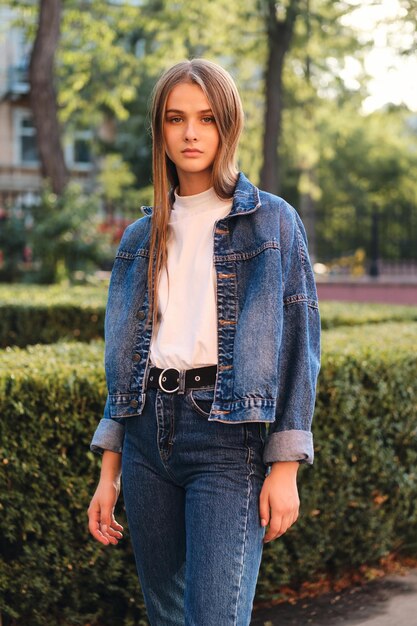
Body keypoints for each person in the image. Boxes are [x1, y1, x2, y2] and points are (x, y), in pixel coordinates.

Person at [87, 58, 321, 626]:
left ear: (228, 126)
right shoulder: (139, 238)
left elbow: (301, 347)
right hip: (145, 443)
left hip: (225, 443)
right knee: (166, 617)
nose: (191, 133)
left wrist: (285, 466)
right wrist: (108, 470)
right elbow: (126, 362)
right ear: (160, 131)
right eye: (176, 119)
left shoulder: (272, 223)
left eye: (207, 118)